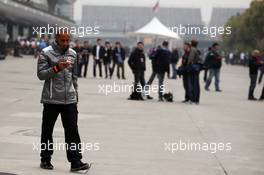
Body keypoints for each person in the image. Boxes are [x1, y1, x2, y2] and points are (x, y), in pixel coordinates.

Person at [37, 30, 90, 172]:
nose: (66, 43)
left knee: (72, 131)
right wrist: (56, 68)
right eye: (63, 40)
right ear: (57, 39)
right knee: (47, 131)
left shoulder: (73, 54)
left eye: (68, 40)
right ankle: (45, 159)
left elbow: (74, 77)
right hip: (51, 100)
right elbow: (41, 75)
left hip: (70, 101)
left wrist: (75, 95)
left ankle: (76, 161)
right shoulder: (45, 53)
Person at [187, 40, 201, 104]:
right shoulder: (196, 49)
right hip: (197, 68)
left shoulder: (192, 49)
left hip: (193, 69)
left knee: (193, 84)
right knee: (196, 84)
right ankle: (196, 99)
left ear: (191, 43)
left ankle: (193, 99)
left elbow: (190, 58)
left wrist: (188, 65)